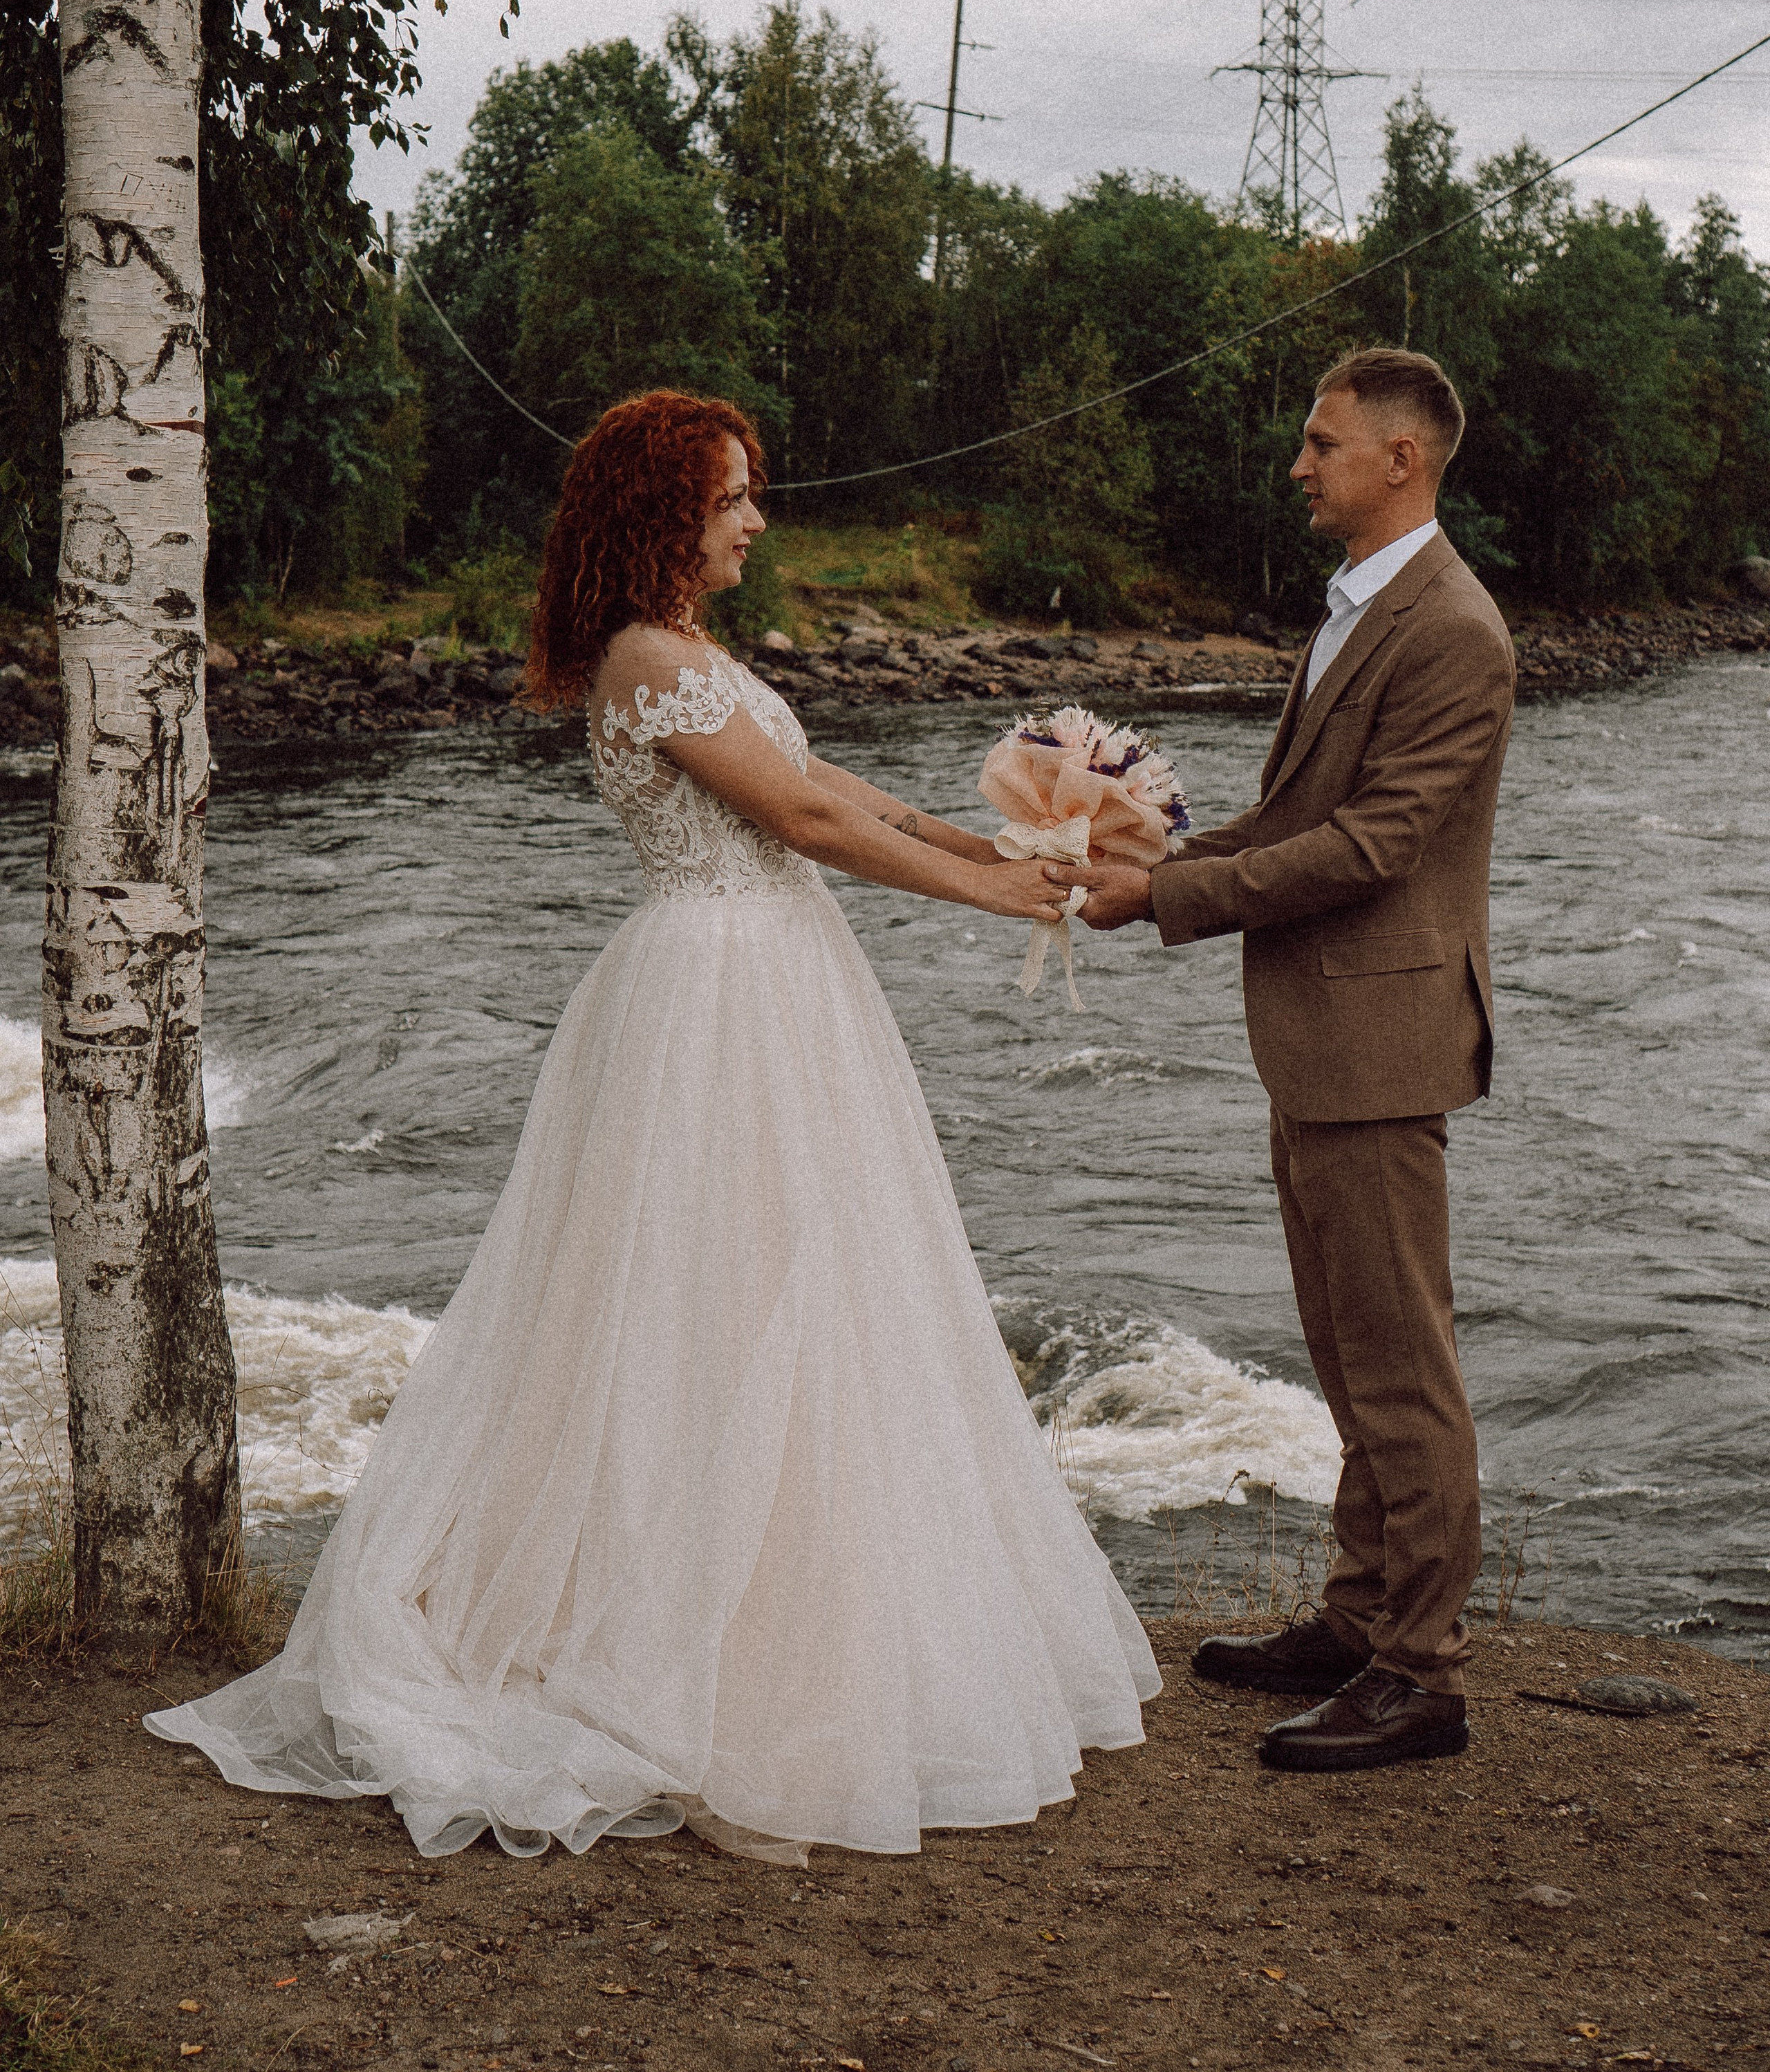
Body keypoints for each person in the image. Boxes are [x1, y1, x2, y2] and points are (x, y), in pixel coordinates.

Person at [147, 388, 1158, 1861]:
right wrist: (994, 896)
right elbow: (804, 827)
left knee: (808, 1291)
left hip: (779, 977)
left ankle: (796, 1631)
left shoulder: (692, 653)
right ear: (663, 513)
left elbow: (825, 784)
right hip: (716, 993)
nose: (756, 520)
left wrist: (998, 841)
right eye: (732, 496)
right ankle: (694, 1671)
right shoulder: (643, 660)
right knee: (715, 1299)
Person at [1081, 348, 1514, 1775]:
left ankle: (1422, 1675)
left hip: (1381, 1044)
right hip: (1326, 1037)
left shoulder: (1453, 627)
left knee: (1401, 1368)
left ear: (1401, 458)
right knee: (1346, 1350)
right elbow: (1288, 818)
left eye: (1321, 444)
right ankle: (1358, 1617)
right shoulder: (1360, 606)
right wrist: (1140, 860)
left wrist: (1168, 899)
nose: (1297, 465)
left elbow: (1373, 845)